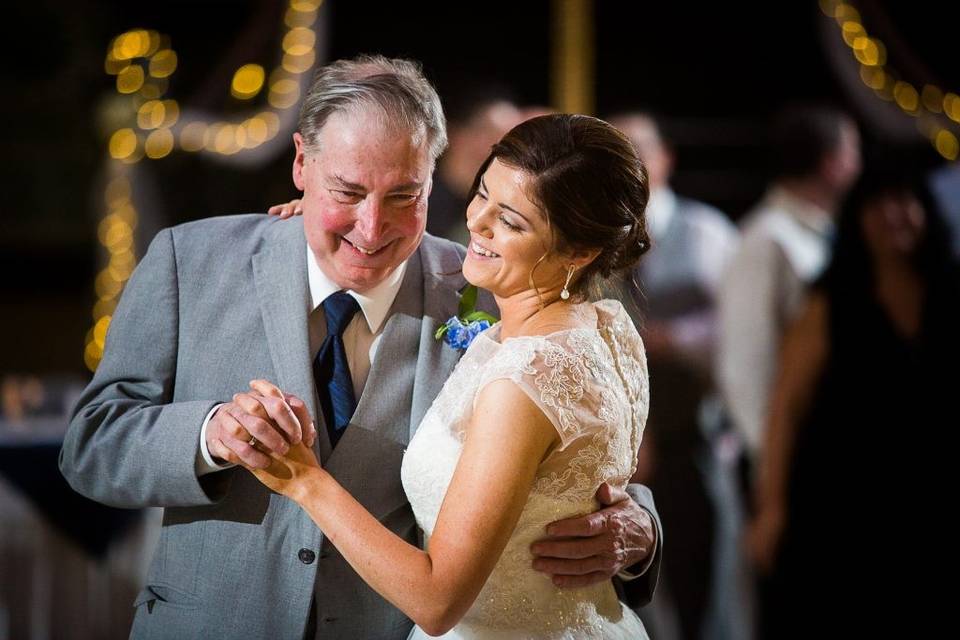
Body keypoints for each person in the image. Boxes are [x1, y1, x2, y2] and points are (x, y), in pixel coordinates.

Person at [59, 55, 662, 639]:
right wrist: (209, 435)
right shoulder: (189, 263)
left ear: (435, 177)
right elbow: (90, 446)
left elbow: (571, 442)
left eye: (404, 196)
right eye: (346, 192)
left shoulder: (484, 286)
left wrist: (640, 529)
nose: (371, 230)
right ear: (302, 164)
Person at [250, 111, 653, 638]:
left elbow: (439, 601)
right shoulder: (606, 324)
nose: (478, 223)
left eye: (511, 221)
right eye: (482, 192)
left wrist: (305, 481)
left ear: (579, 250)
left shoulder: (526, 376)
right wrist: (333, 210)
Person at [746, 164, 960, 638]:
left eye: (905, 201)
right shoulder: (832, 302)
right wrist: (772, 508)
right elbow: (787, 406)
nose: (893, 215)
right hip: (842, 506)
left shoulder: (949, 292)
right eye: (878, 204)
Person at [609, 113, 746, 640]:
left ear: (665, 157)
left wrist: (677, 339)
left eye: (641, 150)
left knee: (705, 581)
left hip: (697, 433)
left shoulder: (706, 231)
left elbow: (739, 327)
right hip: (627, 444)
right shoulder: (601, 238)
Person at [718, 105, 862, 473]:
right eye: (853, 153)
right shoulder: (767, 239)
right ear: (832, 162)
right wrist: (772, 463)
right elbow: (745, 361)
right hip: (793, 460)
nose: (859, 165)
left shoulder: (825, 235)